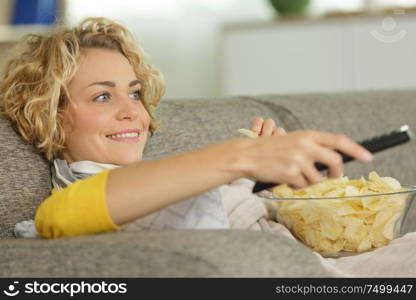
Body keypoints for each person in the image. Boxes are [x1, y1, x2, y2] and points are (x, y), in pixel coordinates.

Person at [0, 17, 373, 239]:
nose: (132, 111)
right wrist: (240, 159)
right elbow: (60, 215)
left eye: (135, 93)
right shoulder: (74, 197)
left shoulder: (166, 178)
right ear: (48, 114)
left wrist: (274, 187)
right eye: (102, 97)